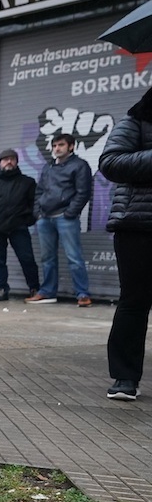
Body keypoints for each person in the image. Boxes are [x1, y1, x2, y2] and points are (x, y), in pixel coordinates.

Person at [101, 91, 152, 401]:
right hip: (139, 225)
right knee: (134, 301)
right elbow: (111, 161)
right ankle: (125, 377)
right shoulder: (137, 120)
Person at [30, 132, 94, 306]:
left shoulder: (80, 165)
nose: (57, 149)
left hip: (65, 218)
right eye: (55, 145)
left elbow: (83, 192)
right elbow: (39, 191)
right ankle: (48, 292)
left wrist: (69, 213)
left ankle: (82, 294)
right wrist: (38, 212)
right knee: (47, 258)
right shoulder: (48, 167)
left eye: (61, 145)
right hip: (45, 218)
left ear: (71, 146)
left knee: (74, 257)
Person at [0, 147, 39, 302]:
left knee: (27, 259)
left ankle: (34, 288)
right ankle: (2, 289)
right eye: (5, 159)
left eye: (12, 159)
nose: (9, 161)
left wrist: (29, 220)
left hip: (18, 227)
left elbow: (35, 204)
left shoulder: (27, 182)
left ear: (16, 162)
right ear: (0, 162)